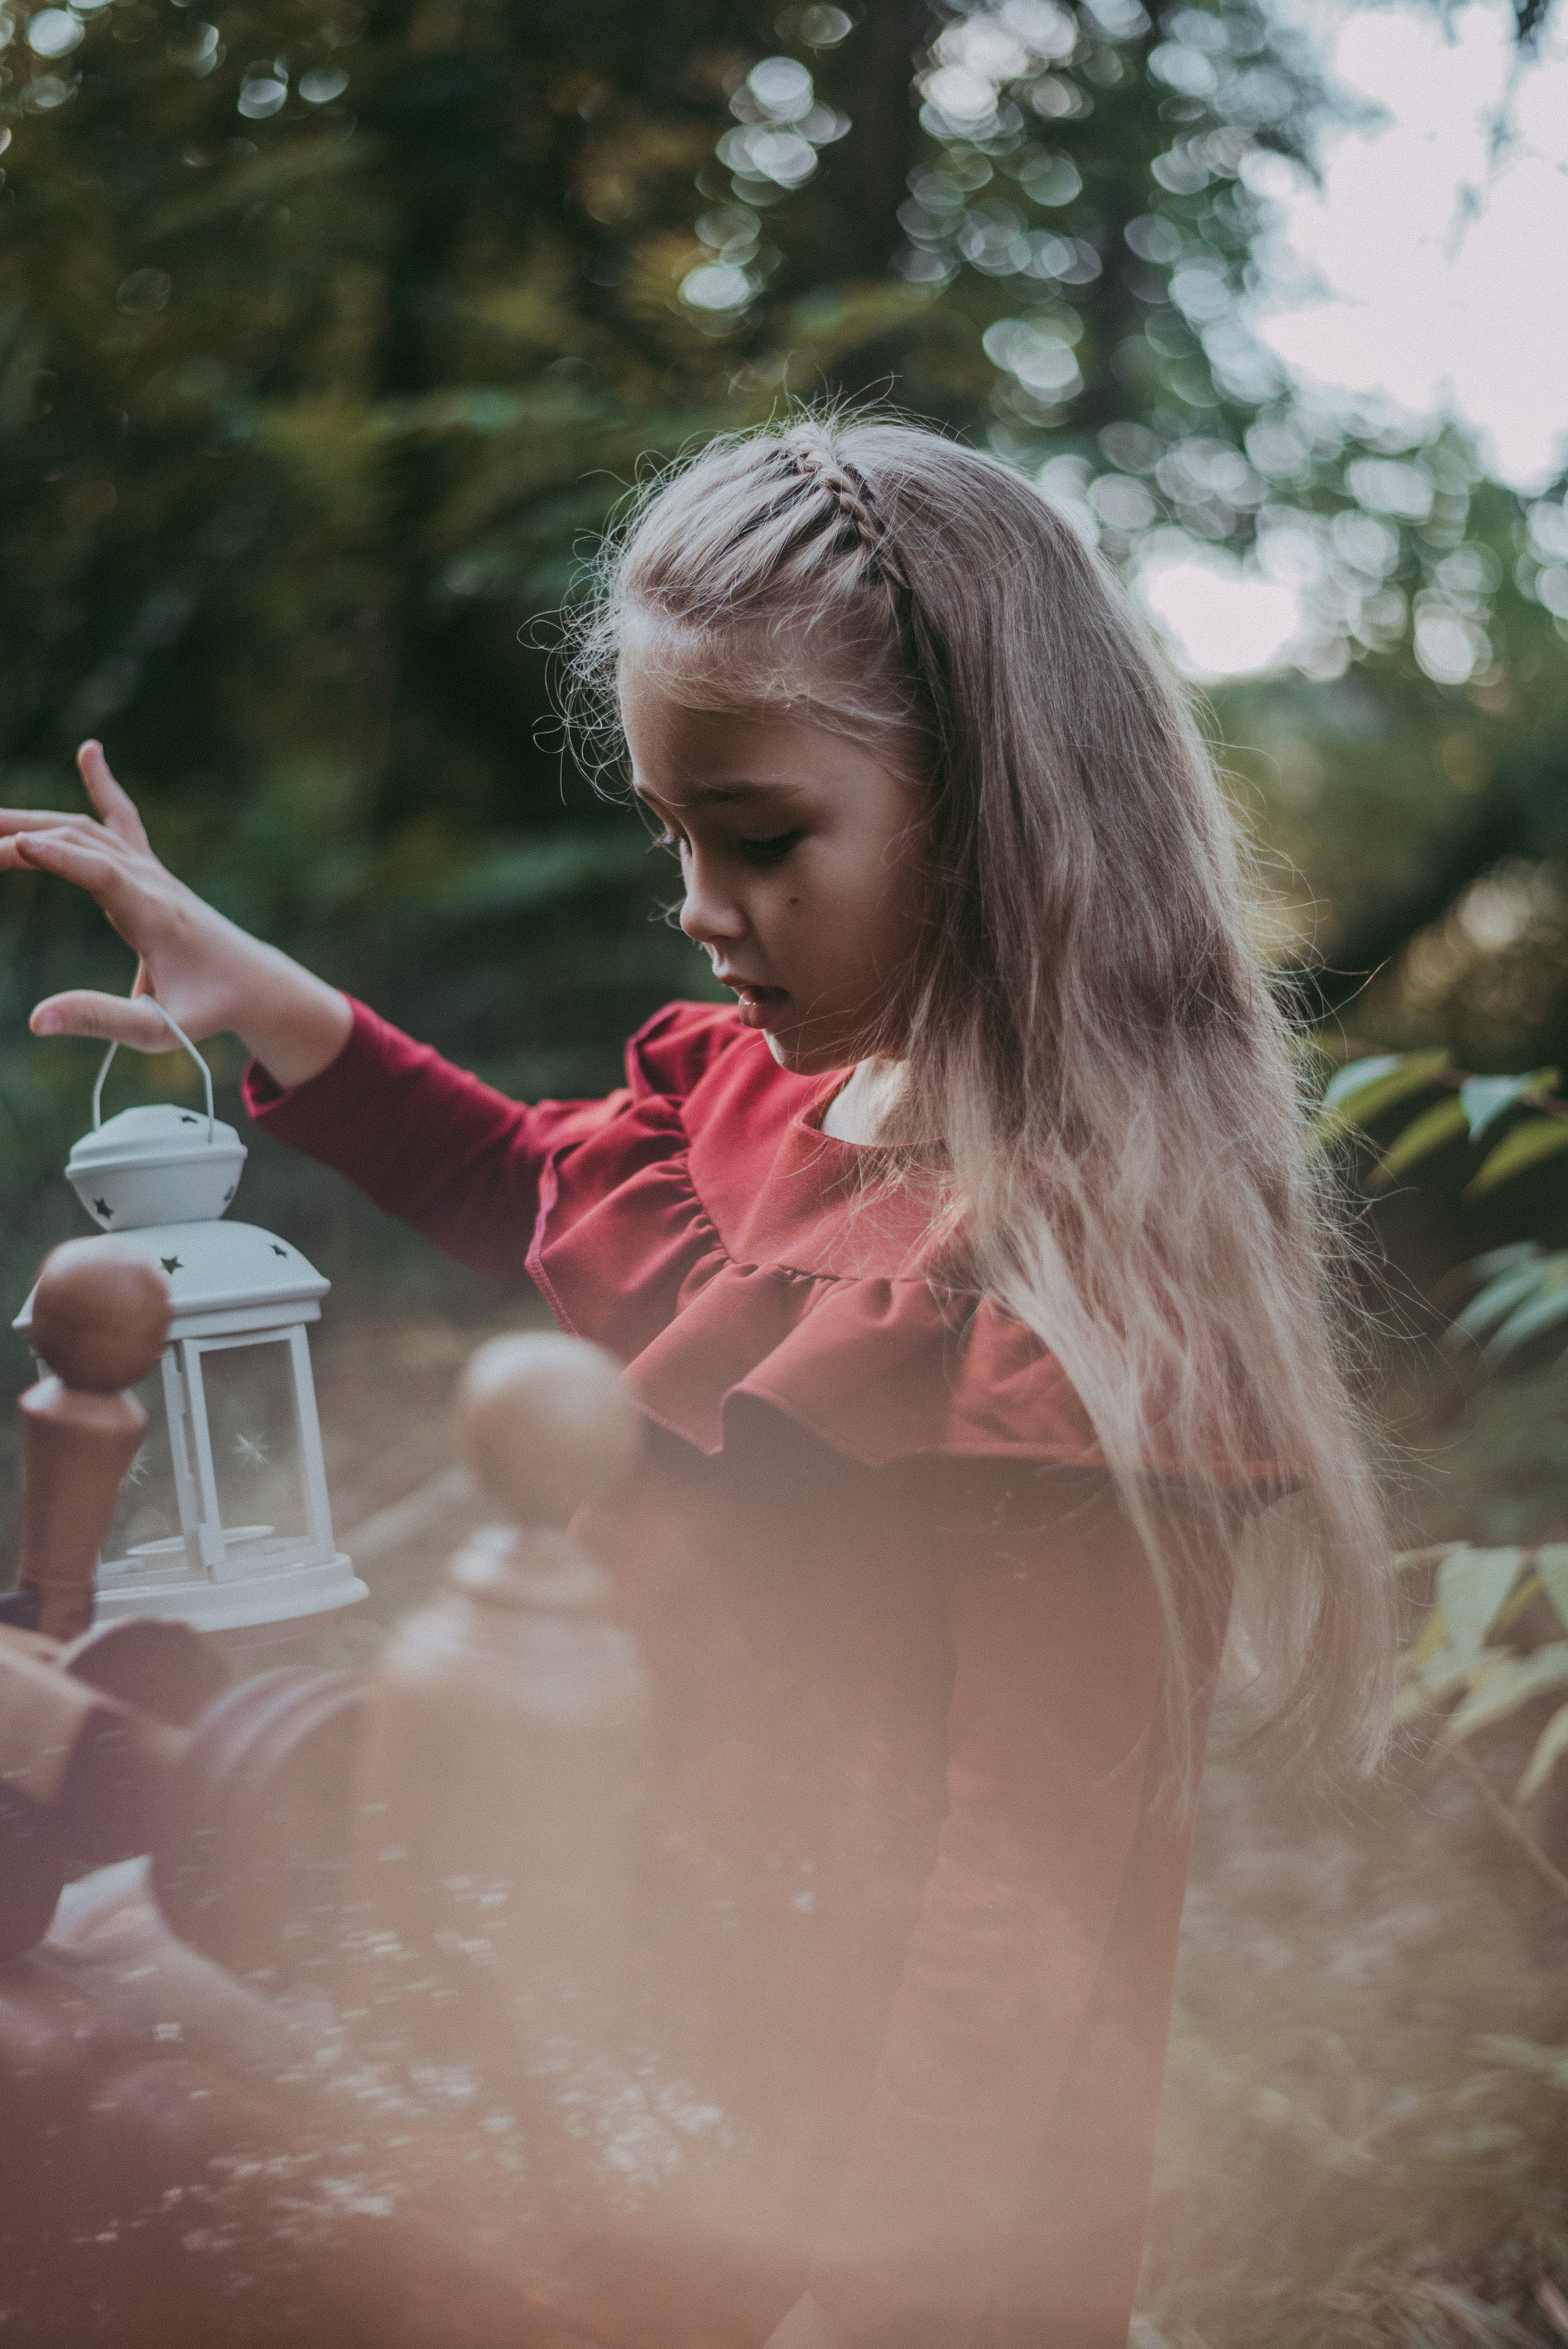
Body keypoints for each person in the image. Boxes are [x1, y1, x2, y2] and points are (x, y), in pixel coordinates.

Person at [0, 417, 1395, 2349]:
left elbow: (1017, 1915)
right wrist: (272, 999)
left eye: (760, 838)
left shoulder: (1081, 1293)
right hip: (645, 2022)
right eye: (674, 834)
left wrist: (863, 2284)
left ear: (995, 809)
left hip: (878, 2173)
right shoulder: (746, 1100)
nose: (699, 901)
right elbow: (525, 1183)